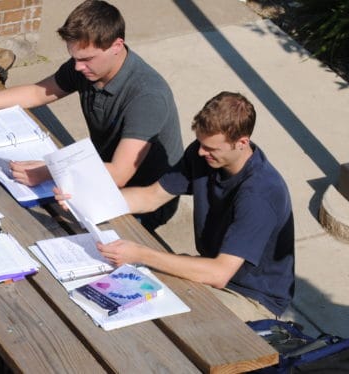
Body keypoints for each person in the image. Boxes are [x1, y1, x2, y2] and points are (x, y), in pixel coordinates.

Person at [59, 92, 295, 321]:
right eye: (200, 143)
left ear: (242, 143)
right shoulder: (203, 154)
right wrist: (84, 200)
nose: (201, 152)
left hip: (251, 297)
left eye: (211, 148)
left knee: (150, 311)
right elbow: (151, 197)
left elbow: (219, 274)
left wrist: (140, 254)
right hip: (211, 271)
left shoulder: (260, 194)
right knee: (117, 288)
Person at [0, 0, 183, 230]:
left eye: (86, 59)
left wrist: (48, 170)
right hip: (99, 171)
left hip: (143, 197)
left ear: (116, 46)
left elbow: (120, 173)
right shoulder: (87, 67)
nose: (78, 67)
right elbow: (38, 93)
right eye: (74, 58)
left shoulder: (148, 96)